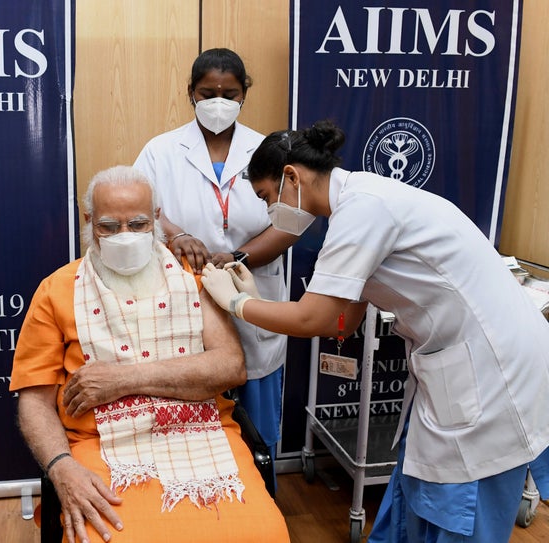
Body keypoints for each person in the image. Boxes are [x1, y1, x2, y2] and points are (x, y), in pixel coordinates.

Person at [200, 121, 549, 542]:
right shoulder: (359, 202)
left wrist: (237, 303)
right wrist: (260, 299)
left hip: (491, 370)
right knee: (419, 488)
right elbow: (346, 322)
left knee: (459, 510)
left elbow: (319, 320)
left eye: (266, 198)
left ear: (291, 177)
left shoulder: (363, 209)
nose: (271, 213)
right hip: (459, 362)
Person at [10, 166, 289, 543]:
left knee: (264, 534)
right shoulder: (56, 290)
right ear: (89, 220)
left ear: (157, 218)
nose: (124, 237)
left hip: (203, 430)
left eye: (138, 224)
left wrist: (122, 379)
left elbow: (229, 366)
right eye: (109, 226)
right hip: (102, 445)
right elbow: (35, 400)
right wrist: (62, 468)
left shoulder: (193, 276)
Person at [133, 48, 297, 473]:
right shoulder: (161, 151)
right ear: (191, 93)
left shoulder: (268, 149)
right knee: (194, 415)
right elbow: (141, 208)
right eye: (208, 93)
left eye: (230, 93)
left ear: (245, 95)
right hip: (186, 295)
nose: (218, 102)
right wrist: (178, 235)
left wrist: (238, 256)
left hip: (253, 288)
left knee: (257, 427)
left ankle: (262, 512)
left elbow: (292, 222)